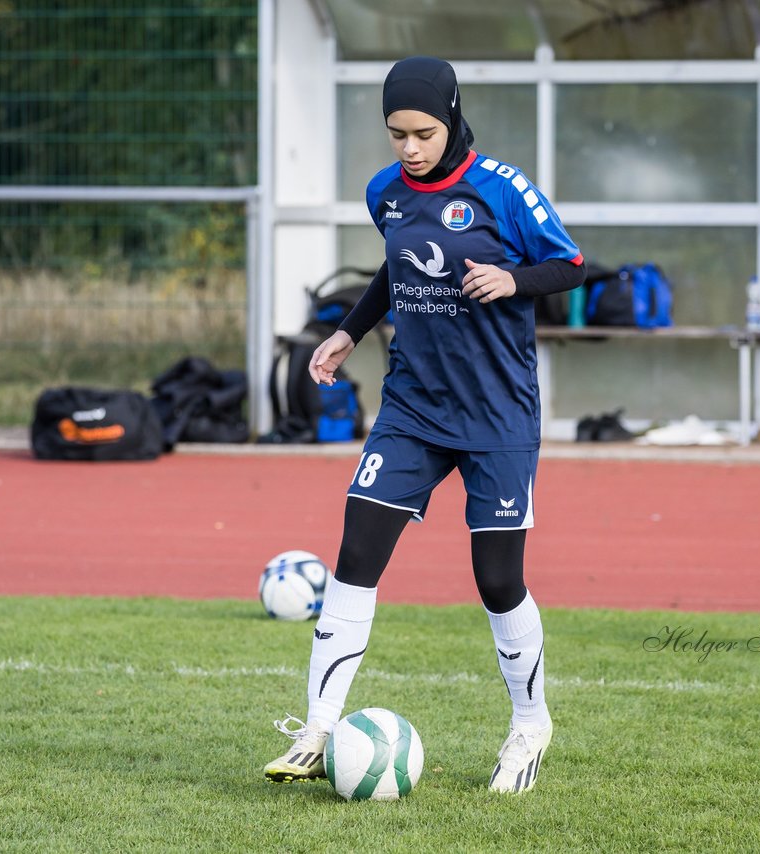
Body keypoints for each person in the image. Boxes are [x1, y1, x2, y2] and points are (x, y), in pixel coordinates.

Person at [263, 56, 585, 794]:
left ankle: (530, 723)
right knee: (357, 548)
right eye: (396, 134)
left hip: (498, 412)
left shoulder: (503, 190)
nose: (409, 148)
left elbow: (569, 265)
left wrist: (513, 279)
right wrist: (349, 332)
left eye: (423, 132)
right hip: (412, 407)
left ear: (452, 115)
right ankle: (318, 726)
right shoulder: (387, 192)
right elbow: (394, 269)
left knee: (498, 580)